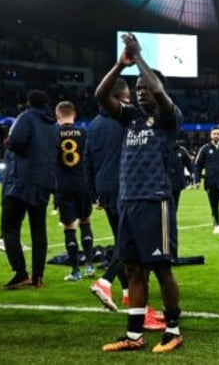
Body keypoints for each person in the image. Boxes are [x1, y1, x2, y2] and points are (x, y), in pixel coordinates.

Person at [96, 32, 184, 353]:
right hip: (128, 201)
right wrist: (121, 64)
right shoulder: (130, 117)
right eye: (138, 89)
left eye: (146, 87)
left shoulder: (169, 118)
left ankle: (172, 331)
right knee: (133, 269)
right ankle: (134, 336)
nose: (142, 91)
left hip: (155, 200)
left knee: (162, 269)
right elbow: (100, 94)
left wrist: (141, 58)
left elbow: (159, 90)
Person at [2, 90, 58, 289]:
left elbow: (16, 143)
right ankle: (38, 277)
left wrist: (9, 143)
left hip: (22, 180)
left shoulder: (26, 118)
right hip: (43, 181)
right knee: (38, 230)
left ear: (28, 102)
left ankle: (20, 273)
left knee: (9, 227)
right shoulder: (53, 124)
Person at [88, 78, 132, 312]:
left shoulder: (94, 125)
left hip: (104, 188)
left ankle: (126, 293)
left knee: (120, 239)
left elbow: (88, 160)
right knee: (128, 241)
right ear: (121, 97)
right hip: (126, 187)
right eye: (128, 96)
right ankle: (105, 281)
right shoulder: (125, 120)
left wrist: (94, 192)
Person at [54, 101, 96, 282]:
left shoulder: (54, 134)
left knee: (69, 227)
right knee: (85, 222)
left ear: (57, 116)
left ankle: (75, 271)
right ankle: (89, 267)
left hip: (63, 185)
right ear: (74, 115)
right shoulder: (85, 134)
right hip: (83, 185)